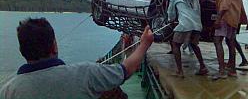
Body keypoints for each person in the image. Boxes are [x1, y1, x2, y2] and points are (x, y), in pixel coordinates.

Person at [0, 18, 154, 99]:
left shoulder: (8, 91)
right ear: (54, 46)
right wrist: (144, 44)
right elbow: (126, 70)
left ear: (22, 51)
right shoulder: (85, 73)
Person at [167, 0, 208, 78]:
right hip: (197, 24)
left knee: (175, 45)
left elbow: (171, 12)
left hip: (185, 24)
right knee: (194, 45)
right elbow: (198, 10)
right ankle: (203, 67)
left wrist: (170, 20)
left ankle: (180, 71)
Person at [211, 0, 244, 78]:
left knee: (217, 40)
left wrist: (218, 19)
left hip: (225, 16)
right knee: (231, 42)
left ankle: (221, 71)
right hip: (234, 16)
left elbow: (225, 3)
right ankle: (232, 70)